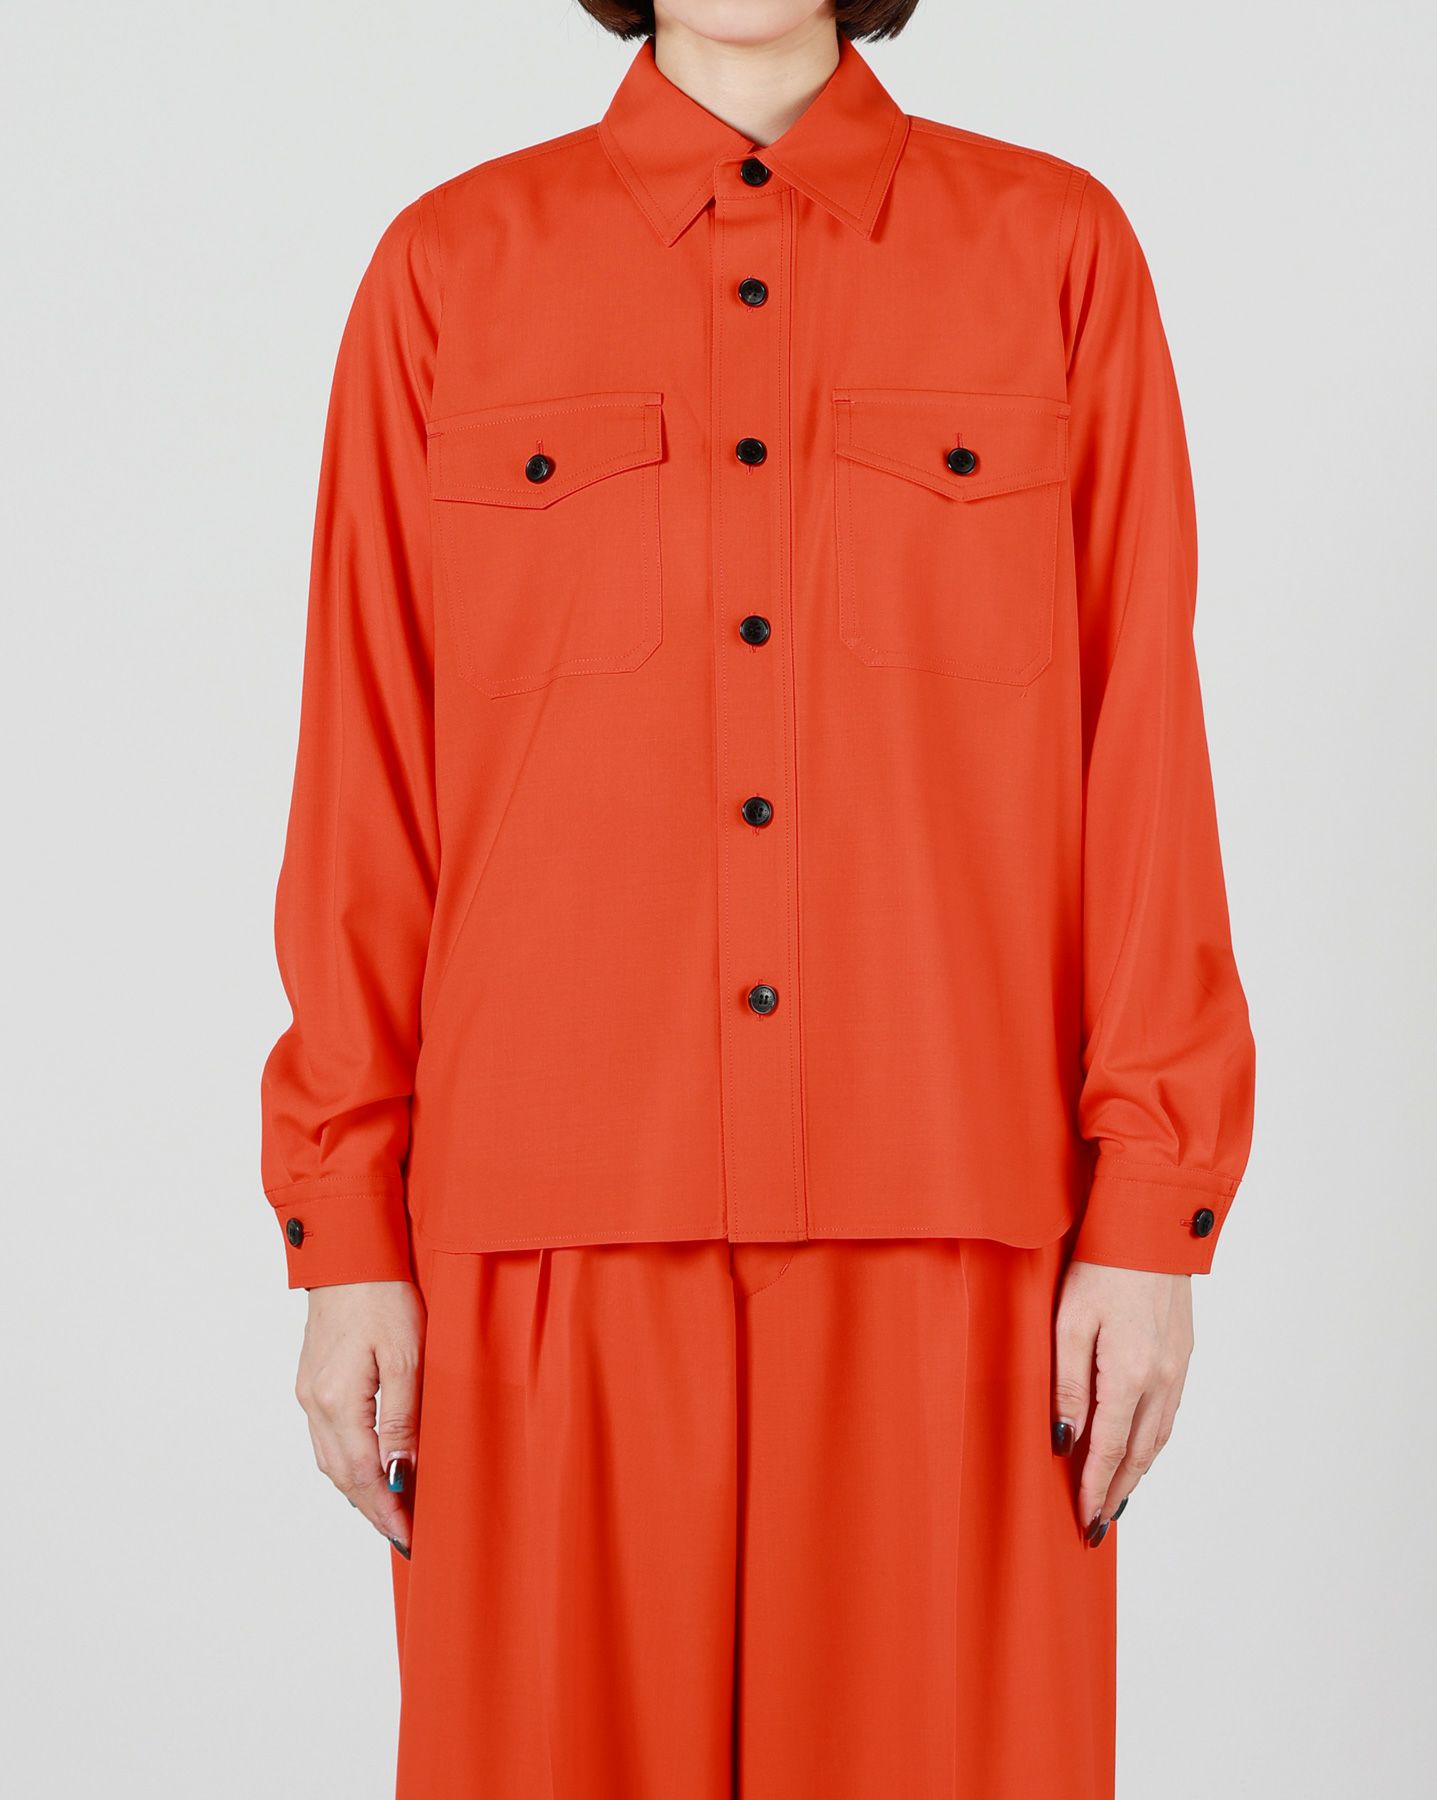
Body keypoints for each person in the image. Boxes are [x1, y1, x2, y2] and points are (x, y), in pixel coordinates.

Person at [260, 2, 1256, 1794]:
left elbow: (1144, 758)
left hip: (957, 1232)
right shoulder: (449, 272)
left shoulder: (1055, 254)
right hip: (543, 1246)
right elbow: (368, 775)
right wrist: (344, 1233)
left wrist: (1150, 1212)